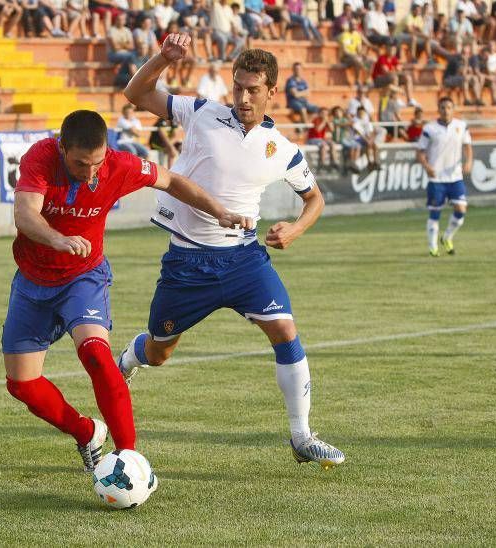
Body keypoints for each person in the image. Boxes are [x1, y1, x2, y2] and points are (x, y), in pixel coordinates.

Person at [120, 34, 345, 470]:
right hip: (187, 261)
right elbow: (136, 93)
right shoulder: (202, 112)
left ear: (272, 92)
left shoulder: (283, 150)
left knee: (285, 331)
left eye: (253, 89)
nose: (242, 96)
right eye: (238, 86)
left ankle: (302, 437)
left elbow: (314, 199)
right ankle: (129, 358)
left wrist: (295, 230)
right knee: (159, 352)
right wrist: (163, 60)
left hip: (244, 260)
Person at [2, 109, 250, 473]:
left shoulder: (119, 165)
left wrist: (219, 211)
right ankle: (86, 432)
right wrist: (59, 239)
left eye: (97, 163)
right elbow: (25, 214)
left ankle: (128, 457)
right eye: (80, 164)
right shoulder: (40, 157)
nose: (90, 173)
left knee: (96, 354)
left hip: (83, 278)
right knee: (21, 384)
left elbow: (172, 181)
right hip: (32, 281)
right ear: (61, 148)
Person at [417, 96, 472, 257]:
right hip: (437, 179)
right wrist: (427, 166)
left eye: (448, 107)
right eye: (442, 107)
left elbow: (468, 146)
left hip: (455, 177)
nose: (445, 110)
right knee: (435, 213)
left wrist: (469, 162)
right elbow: (420, 152)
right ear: (438, 110)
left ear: (453, 109)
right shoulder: (429, 129)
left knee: (461, 209)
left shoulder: (461, 126)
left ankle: (447, 237)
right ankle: (433, 246)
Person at [285, 62, 318, 131]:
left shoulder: (303, 81)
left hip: (303, 101)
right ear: (293, 70)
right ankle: (307, 128)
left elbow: (308, 94)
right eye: (296, 69)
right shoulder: (291, 81)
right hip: (293, 102)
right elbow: (295, 95)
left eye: (299, 69)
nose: (298, 70)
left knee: (317, 109)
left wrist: (300, 93)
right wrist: (304, 93)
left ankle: (302, 123)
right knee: (303, 109)